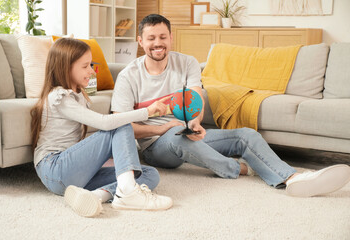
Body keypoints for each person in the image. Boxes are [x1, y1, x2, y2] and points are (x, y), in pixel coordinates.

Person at [111, 14, 350, 198]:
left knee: (245, 135)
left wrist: (193, 122)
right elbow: (120, 126)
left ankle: (293, 178)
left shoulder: (187, 63)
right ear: (141, 41)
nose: (158, 43)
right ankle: (238, 169)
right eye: (151, 38)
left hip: (184, 134)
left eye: (163, 37)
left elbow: (195, 99)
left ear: (171, 37)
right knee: (175, 135)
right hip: (155, 147)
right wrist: (161, 129)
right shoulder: (128, 76)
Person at [30, 38, 173, 218]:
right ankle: (128, 193)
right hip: (55, 169)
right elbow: (105, 123)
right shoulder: (58, 97)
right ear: (66, 67)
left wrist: (119, 160)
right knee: (119, 125)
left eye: (90, 64)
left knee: (147, 173)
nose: (91, 70)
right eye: (85, 66)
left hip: (74, 174)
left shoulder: (77, 95)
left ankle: (95, 196)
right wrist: (147, 112)